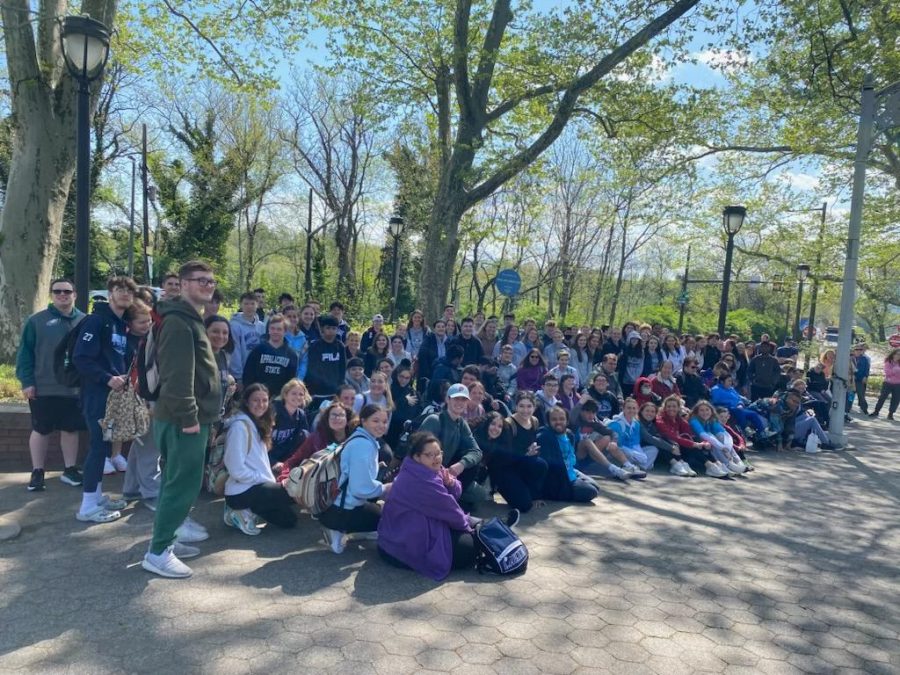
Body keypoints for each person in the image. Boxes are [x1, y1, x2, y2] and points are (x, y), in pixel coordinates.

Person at [72, 275, 136, 523]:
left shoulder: (120, 324)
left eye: (129, 291)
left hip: (113, 396)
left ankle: (96, 497)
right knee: (98, 447)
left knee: (104, 447)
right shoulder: (96, 321)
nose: (124, 294)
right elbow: (81, 358)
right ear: (110, 294)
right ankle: (87, 506)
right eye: (119, 289)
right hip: (97, 394)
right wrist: (107, 378)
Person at [16, 277, 86, 492]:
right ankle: (38, 471)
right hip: (43, 386)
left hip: (73, 387)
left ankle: (70, 469)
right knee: (41, 429)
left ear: (74, 294)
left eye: (67, 291)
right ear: (52, 295)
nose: (62, 295)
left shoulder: (85, 321)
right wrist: (27, 382)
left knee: (70, 429)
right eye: (57, 292)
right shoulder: (36, 321)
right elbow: (25, 354)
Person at [377, 433, 478, 580]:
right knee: (470, 548)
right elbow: (450, 510)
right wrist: (469, 528)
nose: (436, 458)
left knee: (473, 530)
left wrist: (450, 483)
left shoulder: (426, 468)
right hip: (400, 545)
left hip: (408, 532)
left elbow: (455, 493)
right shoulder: (419, 479)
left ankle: (491, 528)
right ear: (417, 457)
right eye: (430, 455)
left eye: (438, 453)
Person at [221, 384, 297, 536]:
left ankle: (247, 511)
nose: (260, 405)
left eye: (264, 400)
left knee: (289, 520)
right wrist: (264, 479)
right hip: (241, 491)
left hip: (258, 485)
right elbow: (235, 469)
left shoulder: (260, 423)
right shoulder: (240, 427)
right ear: (247, 402)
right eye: (255, 400)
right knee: (293, 492)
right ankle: (238, 510)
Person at [318, 404, 392, 554]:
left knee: (381, 510)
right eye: (375, 421)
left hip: (332, 506)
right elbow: (361, 489)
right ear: (363, 421)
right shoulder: (363, 445)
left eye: (384, 422)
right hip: (341, 512)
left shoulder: (360, 438)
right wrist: (387, 488)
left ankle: (348, 528)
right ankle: (337, 531)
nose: (381, 425)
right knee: (389, 516)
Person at [120, 301, 162, 510]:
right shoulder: (149, 340)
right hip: (146, 397)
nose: (146, 324)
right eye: (142, 321)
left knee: (141, 445)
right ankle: (152, 493)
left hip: (137, 395)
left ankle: (132, 487)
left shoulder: (143, 339)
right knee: (150, 447)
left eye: (148, 320)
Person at [475, 403, 548, 513]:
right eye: (493, 424)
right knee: (524, 505)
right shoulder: (475, 438)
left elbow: (511, 458)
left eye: (499, 426)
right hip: (490, 475)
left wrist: (527, 455)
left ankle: (530, 493)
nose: (496, 428)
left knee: (539, 464)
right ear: (486, 424)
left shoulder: (503, 439)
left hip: (505, 470)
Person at [418, 384, 484, 497]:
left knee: (479, 494)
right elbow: (420, 455)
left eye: (463, 399)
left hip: (444, 472)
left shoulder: (461, 423)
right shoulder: (434, 420)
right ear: (447, 399)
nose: (460, 402)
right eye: (456, 398)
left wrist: (461, 464)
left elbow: (476, 451)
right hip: (426, 474)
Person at [537, 407, 601, 503]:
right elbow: (550, 467)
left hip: (570, 471)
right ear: (548, 422)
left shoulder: (569, 434)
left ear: (567, 421)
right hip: (557, 479)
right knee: (591, 492)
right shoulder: (544, 437)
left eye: (562, 419)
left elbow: (572, 457)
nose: (558, 422)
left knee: (596, 487)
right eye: (554, 419)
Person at [278, 401, 354, 481]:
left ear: (347, 419)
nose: (337, 418)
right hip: (320, 484)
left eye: (341, 415)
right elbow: (294, 461)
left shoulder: (355, 439)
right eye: (333, 415)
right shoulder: (316, 438)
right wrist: (285, 478)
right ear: (327, 419)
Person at [655, 395, 720, 478]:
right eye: (668, 406)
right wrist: (693, 444)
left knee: (688, 438)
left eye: (674, 406)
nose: (671, 408)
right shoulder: (659, 419)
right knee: (664, 438)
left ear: (679, 408)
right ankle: (676, 464)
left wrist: (705, 443)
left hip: (678, 448)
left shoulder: (679, 419)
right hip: (666, 448)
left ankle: (711, 464)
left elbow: (690, 435)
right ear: (664, 408)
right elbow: (670, 435)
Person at [241, 314, 299, 394]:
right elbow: (248, 375)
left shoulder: (291, 354)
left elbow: (290, 381)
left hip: (279, 398)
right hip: (257, 395)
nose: (275, 332)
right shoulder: (258, 350)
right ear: (268, 330)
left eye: (279, 329)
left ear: (285, 331)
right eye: (272, 328)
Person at [689, 401, 748, 477]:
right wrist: (722, 447)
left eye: (707, 410)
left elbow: (726, 435)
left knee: (720, 436)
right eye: (702, 410)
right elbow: (703, 435)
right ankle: (727, 464)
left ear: (711, 411)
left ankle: (737, 462)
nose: (705, 412)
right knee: (712, 438)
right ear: (697, 412)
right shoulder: (694, 420)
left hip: (709, 441)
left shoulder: (712, 419)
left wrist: (726, 448)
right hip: (697, 442)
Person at [637, 402, 695, 477]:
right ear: (641, 412)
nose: (650, 413)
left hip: (648, 449)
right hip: (638, 449)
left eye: (652, 412)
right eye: (647, 411)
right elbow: (649, 438)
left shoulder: (652, 424)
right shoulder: (638, 423)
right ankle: (675, 464)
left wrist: (674, 444)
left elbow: (662, 436)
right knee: (658, 444)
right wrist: (671, 448)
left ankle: (680, 462)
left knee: (664, 439)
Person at [711, 373, 770, 438]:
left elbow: (738, 398)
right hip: (726, 408)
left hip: (739, 408)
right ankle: (745, 429)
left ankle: (761, 433)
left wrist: (740, 404)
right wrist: (731, 404)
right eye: (729, 381)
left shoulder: (731, 389)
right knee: (738, 411)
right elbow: (716, 401)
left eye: (731, 381)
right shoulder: (716, 389)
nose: (731, 383)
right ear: (722, 381)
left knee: (753, 413)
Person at [608, 398, 657, 471]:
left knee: (653, 449)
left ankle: (639, 467)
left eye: (634, 408)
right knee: (630, 454)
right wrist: (635, 455)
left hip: (631, 452)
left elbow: (636, 444)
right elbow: (619, 445)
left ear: (637, 410)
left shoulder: (636, 424)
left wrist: (640, 456)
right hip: (619, 452)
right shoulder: (617, 423)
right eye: (629, 408)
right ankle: (632, 466)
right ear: (623, 409)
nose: (632, 410)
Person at [229, 292, 267, 384]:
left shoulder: (262, 326)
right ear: (241, 305)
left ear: (257, 305)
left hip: (259, 373)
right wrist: (238, 377)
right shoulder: (234, 326)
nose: (249, 307)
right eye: (246, 304)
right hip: (241, 373)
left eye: (252, 304)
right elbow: (235, 352)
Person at [270, 379, 310, 467]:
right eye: (294, 393)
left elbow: (304, 442)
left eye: (301, 394)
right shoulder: (273, 412)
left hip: (287, 460)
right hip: (268, 457)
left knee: (304, 434)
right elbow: (261, 442)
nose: (297, 397)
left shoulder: (301, 415)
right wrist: (273, 462)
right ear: (285, 395)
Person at [305, 315, 346, 399]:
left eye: (334, 328)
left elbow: (342, 368)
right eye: (328, 328)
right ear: (322, 329)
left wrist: (340, 386)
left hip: (335, 390)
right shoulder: (315, 346)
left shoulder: (340, 346)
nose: (331, 331)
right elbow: (312, 370)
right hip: (318, 391)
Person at [869, 348, 900, 420]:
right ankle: (876, 411)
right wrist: (895, 370)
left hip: (898, 384)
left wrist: (895, 372)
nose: (898, 356)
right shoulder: (888, 361)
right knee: (882, 398)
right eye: (897, 354)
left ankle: (891, 414)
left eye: (899, 355)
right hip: (887, 383)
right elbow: (887, 373)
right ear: (893, 354)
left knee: (896, 400)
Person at [282, 305, 309, 380]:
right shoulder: (279, 335)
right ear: (283, 318)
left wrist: (299, 379)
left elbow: (304, 362)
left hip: (296, 379)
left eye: (294, 317)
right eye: (289, 316)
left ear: (298, 318)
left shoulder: (303, 338)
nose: (292, 319)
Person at [850, 344, 870, 415]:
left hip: (860, 379)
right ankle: (848, 408)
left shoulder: (864, 359)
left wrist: (865, 376)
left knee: (861, 394)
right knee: (851, 394)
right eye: (857, 349)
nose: (858, 351)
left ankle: (864, 408)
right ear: (854, 350)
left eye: (860, 350)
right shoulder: (850, 358)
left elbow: (867, 369)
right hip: (851, 379)